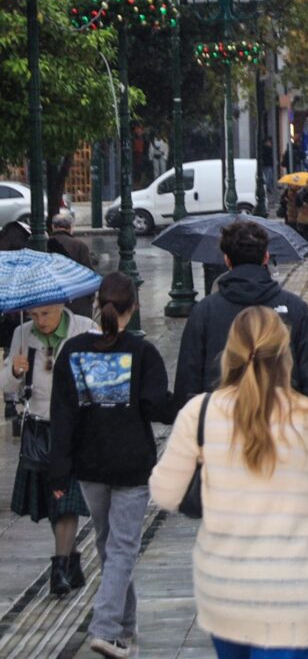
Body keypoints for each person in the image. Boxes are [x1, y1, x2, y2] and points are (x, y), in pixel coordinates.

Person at [151, 307, 308, 659]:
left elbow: (165, 491)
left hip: (224, 586)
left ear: (230, 353)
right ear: (284, 355)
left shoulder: (199, 411)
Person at [49, 273, 174, 659]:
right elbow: (156, 406)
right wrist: (187, 400)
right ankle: (105, 629)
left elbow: (62, 416)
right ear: (133, 308)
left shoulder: (73, 351)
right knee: (120, 547)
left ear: (97, 305)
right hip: (132, 464)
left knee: (110, 544)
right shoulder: (142, 352)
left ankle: (125, 624)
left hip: (89, 466)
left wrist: (59, 471)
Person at [174, 220, 308, 418]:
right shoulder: (295, 308)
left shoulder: (204, 312)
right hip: (283, 422)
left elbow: (187, 384)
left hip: (219, 423)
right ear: (265, 257)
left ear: (227, 260)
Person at [2, 300, 95, 595]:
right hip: (40, 430)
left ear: (60, 305)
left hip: (76, 430)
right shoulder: (22, 334)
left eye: (46, 314)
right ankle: (71, 559)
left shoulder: (85, 329)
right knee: (53, 500)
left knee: (65, 500)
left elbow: (99, 379)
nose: (40, 321)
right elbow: (7, 387)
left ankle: (59, 569)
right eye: (34, 315)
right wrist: (14, 372)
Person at [47, 213, 96, 317]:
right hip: (77, 303)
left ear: (53, 226)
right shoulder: (79, 246)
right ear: (70, 227)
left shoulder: (45, 243)